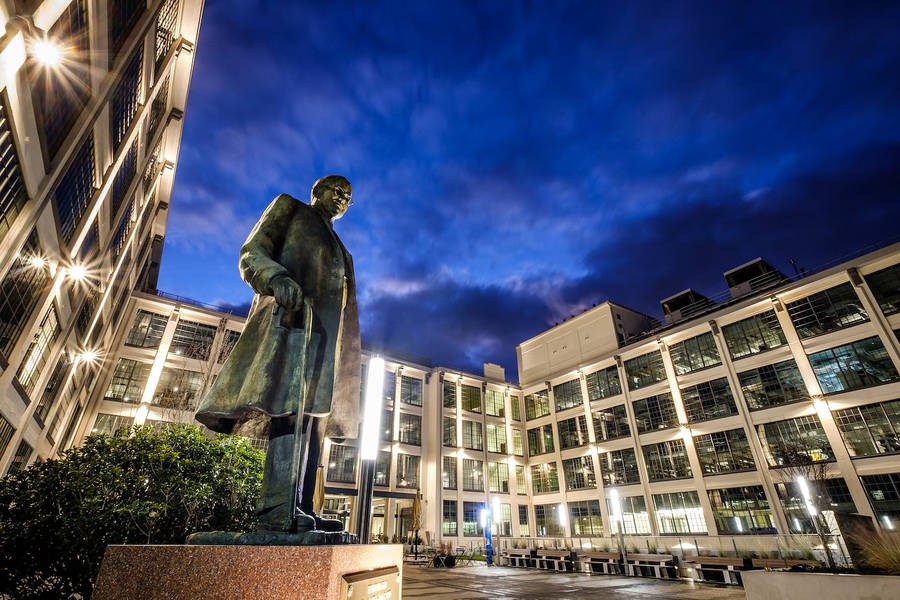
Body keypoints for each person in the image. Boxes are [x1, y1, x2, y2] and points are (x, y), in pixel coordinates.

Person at [195, 175, 360, 534]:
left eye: (348, 197)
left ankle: (301, 507)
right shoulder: (291, 208)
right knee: (289, 409)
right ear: (316, 191)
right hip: (292, 325)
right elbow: (252, 251)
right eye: (336, 190)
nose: (342, 198)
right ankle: (275, 510)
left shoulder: (342, 249)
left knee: (313, 421)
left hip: (326, 342)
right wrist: (275, 277)